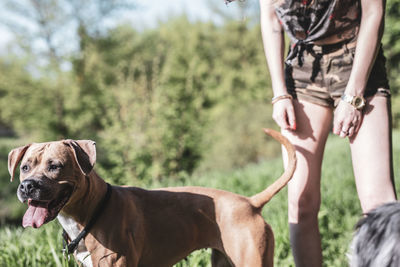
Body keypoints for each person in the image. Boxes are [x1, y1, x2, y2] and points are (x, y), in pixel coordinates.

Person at [253, 0, 396, 266]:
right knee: (301, 204)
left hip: (358, 59)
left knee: (380, 207)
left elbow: (375, 11)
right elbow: (271, 19)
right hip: (302, 68)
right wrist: (279, 92)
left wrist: (353, 96)